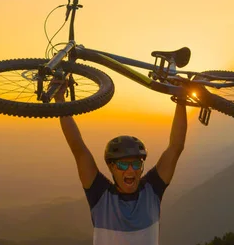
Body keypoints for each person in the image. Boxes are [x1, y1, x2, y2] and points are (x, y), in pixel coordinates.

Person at [55, 83, 188, 245]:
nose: (130, 170)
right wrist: (60, 100)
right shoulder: (100, 196)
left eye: (136, 164)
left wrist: (181, 99)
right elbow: (78, 149)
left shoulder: (151, 191)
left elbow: (176, 147)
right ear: (111, 167)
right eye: (123, 165)